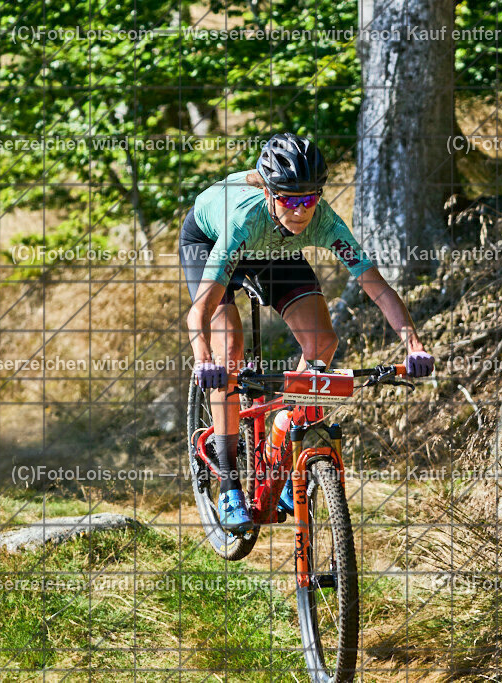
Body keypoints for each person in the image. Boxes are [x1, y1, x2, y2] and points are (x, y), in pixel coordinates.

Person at [181, 133, 434, 532]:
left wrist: (414, 347)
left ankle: (284, 435)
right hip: (211, 240)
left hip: (275, 249)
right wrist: (202, 360)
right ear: (267, 192)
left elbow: (378, 288)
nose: (300, 211)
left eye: (309, 199)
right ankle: (229, 481)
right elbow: (200, 311)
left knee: (322, 341)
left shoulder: (324, 222)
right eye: (289, 199)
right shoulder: (243, 219)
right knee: (228, 350)